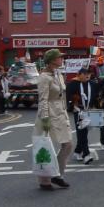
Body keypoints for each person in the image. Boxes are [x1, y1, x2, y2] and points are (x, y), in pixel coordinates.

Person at [34, 49, 72, 191]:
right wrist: (44, 119)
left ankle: (57, 174)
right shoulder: (44, 77)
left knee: (68, 145)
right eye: (59, 57)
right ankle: (45, 180)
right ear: (51, 61)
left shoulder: (58, 74)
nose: (62, 59)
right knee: (45, 146)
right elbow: (42, 99)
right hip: (49, 114)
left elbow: (62, 95)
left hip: (60, 113)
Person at [67, 68, 98, 165]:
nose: (87, 76)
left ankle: (77, 151)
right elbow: (69, 97)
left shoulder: (92, 84)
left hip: (89, 110)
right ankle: (86, 154)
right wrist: (73, 104)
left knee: (84, 132)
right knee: (81, 131)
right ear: (79, 74)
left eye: (88, 74)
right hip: (79, 111)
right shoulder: (73, 83)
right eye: (85, 74)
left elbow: (96, 96)